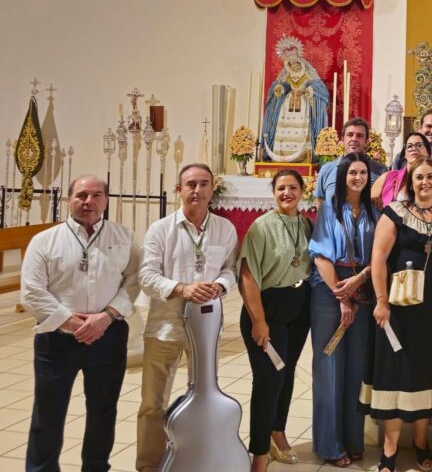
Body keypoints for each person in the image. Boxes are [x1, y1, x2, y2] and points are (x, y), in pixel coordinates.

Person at [21, 175, 140, 472]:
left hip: (108, 337)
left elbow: (135, 281)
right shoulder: (45, 241)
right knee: (48, 414)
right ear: (69, 199)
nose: (89, 202)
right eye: (82, 195)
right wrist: (73, 322)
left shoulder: (123, 236)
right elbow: (32, 292)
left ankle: (96, 467)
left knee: (103, 411)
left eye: (97, 195)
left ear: (106, 200)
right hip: (57, 340)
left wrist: (106, 317)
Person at [136, 163, 238, 472]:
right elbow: (146, 276)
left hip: (205, 329)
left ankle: (199, 459)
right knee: (153, 404)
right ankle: (148, 466)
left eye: (203, 184)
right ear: (179, 190)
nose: (197, 190)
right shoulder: (161, 229)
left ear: (212, 189)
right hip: (164, 327)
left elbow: (231, 269)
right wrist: (182, 288)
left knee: (205, 399)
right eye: (190, 184)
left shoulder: (225, 228)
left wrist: (219, 285)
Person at [362, 158, 432, 472]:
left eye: (431, 177)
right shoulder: (395, 213)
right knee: (396, 375)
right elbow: (378, 258)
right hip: (398, 311)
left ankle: (420, 442)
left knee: (426, 377)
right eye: (419, 177)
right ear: (410, 181)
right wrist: (380, 300)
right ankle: (389, 450)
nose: (425, 182)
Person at [238, 170, 313, 471]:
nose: (287, 193)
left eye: (293, 187)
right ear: (273, 192)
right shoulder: (261, 227)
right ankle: (259, 455)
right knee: (269, 380)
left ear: (302, 192)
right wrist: (259, 320)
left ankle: (277, 431)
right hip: (267, 309)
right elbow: (247, 276)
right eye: (281, 188)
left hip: (299, 306)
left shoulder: (306, 224)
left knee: (288, 371)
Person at [309, 154, 377, 468]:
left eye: (363, 172)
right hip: (329, 292)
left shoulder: (374, 212)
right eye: (352, 172)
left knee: (356, 367)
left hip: (362, 290)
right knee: (330, 367)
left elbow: (378, 256)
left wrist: (359, 282)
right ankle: (329, 444)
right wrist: (341, 296)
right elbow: (321, 255)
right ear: (342, 176)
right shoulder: (328, 209)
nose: (358, 177)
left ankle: (353, 439)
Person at [261, 36, 329, 161]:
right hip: (287, 104)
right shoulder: (286, 74)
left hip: (303, 103)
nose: (294, 65)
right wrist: (280, 89)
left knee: (302, 126)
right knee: (286, 128)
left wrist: (308, 90)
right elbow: (283, 86)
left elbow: (317, 87)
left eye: (295, 62)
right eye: (291, 63)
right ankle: (283, 154)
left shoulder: (307, 73)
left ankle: (304, 155)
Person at [314, 117, 387, 207]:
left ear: (367, 141)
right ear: (342, 139)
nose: (354, 139)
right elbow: (320, 199)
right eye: (350, 134)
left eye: (359, 136)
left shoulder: (381, 171)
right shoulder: (327, 169)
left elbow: (386, 203)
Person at [371, 131, 431, 208]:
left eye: (419, 145)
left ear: (428, 154)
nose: (414, 148)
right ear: (405, 154)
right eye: (409, 146)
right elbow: (369, 209)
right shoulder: (387, 177)